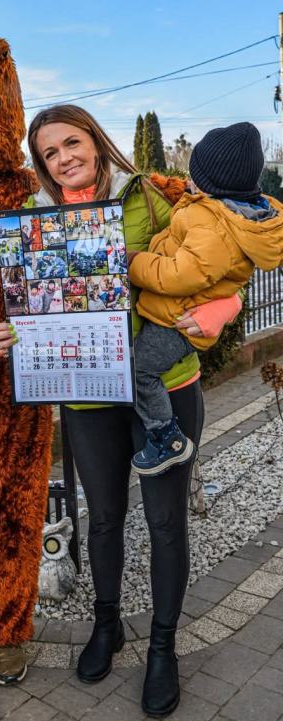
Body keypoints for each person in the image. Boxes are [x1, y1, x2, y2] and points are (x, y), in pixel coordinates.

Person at [0, 104, 243, 718]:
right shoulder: (34, 221)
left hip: (164, 388)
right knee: (102, 517)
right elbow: (32, 307)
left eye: (72, 143)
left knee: (165, 522)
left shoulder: (152, 198)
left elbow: (223, 263)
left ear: (95, 141)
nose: (64, 158)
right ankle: (108, 625)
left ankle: (162, 647)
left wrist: (222, 310)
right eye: (49, 153)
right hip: (88, 392)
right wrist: (8, 335)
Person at [129, 122, 283, 477]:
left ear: (208, 181)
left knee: (139, 369)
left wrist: (135, 263)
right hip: (179, 314)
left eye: (194, 173)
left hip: (177, 320)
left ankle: (166, 438)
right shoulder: (231, 210)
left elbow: (180, 275)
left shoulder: (211, 223)